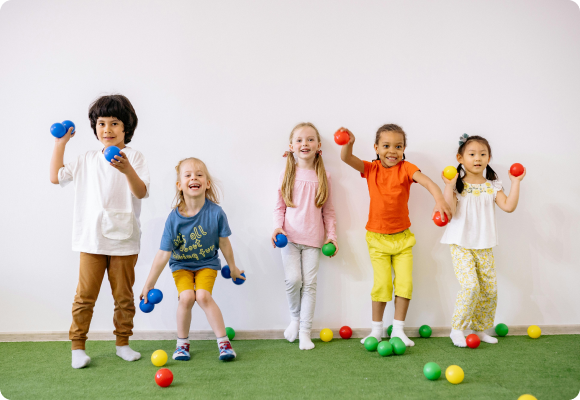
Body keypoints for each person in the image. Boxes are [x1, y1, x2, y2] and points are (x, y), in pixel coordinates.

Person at [49, 94, 149, 368]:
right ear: (94, 127)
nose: (107, 129)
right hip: (91, 240)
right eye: (102, 123)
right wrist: (61, 143)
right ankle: (77, 348)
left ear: (126, 127)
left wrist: (127, 169)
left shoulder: (135, 158)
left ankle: (122, 344)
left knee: (124, 297)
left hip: (125, 240)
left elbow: (141, 191)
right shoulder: (86, 159)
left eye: (115, 123)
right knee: (85, 296)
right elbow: (55, 176)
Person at [340, 124, 451, 347]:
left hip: (402, 239)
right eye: (387, 145)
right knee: (382, 285)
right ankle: (376, 330)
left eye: (398, 146)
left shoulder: (407, 168)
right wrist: (348, 144)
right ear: (376, 148)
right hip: (377, 239)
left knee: (405, 284)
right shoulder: (371, 169)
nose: (393, 151)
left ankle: (398, 330)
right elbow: (346, 158)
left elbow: (428, 182)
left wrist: (439, 200)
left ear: (404, 149)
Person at [141, 157, 244, 361]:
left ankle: (224, 344)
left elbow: (224, 243)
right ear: (180, 185)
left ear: (207, 183)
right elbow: (163, 254)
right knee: (187, 297)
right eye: (187, 175)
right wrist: (148, 284)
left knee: (203, 297)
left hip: (207, 263)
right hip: (182, 265)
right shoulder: (174, 218)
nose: (193, 178)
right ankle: (182, 345)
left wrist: (233, 268)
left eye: (199, 174)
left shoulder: (216, 213)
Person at [441, 134, 525, 347]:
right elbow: (449, 211)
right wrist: (448, 186)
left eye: (482, 154)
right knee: (470, 287)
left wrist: (515, 182)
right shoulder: (458, 185)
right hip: (460, 244)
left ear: (489, 158)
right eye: (472, 154)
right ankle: (457, 329)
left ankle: (478, 329)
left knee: (489, 289)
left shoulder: (492, 186)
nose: (477, 158)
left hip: (484, 244)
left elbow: (508, 206)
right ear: (460, 158)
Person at [272, 122, 338, 350]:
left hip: (313, 241)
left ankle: (305, 332)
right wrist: (277, 228)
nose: (304, 144)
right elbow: (279, 207)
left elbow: (328, 211)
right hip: (288, 238)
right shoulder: (286, 173)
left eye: (310, 139)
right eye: (299, 140)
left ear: (319, 146)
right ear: (291, 146)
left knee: (310, 284)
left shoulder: (324, 176)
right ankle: (295, 320)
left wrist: (332, 237)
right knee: (293, 280)